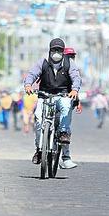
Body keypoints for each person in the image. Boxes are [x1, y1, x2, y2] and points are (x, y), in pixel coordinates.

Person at [24, 38, 81, 167]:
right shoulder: (43, 62)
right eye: (54, 50)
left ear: (63, 52)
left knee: (66, 107)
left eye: (59, 50)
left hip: (63, 95)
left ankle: (63, 133)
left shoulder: (69, 64)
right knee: (39, 119)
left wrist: (75, 90)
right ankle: (39, 149)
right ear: (50, 51)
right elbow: (32, 74)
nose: (56, 53)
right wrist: (28, 84)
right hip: (45, 95)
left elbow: (76, 77)